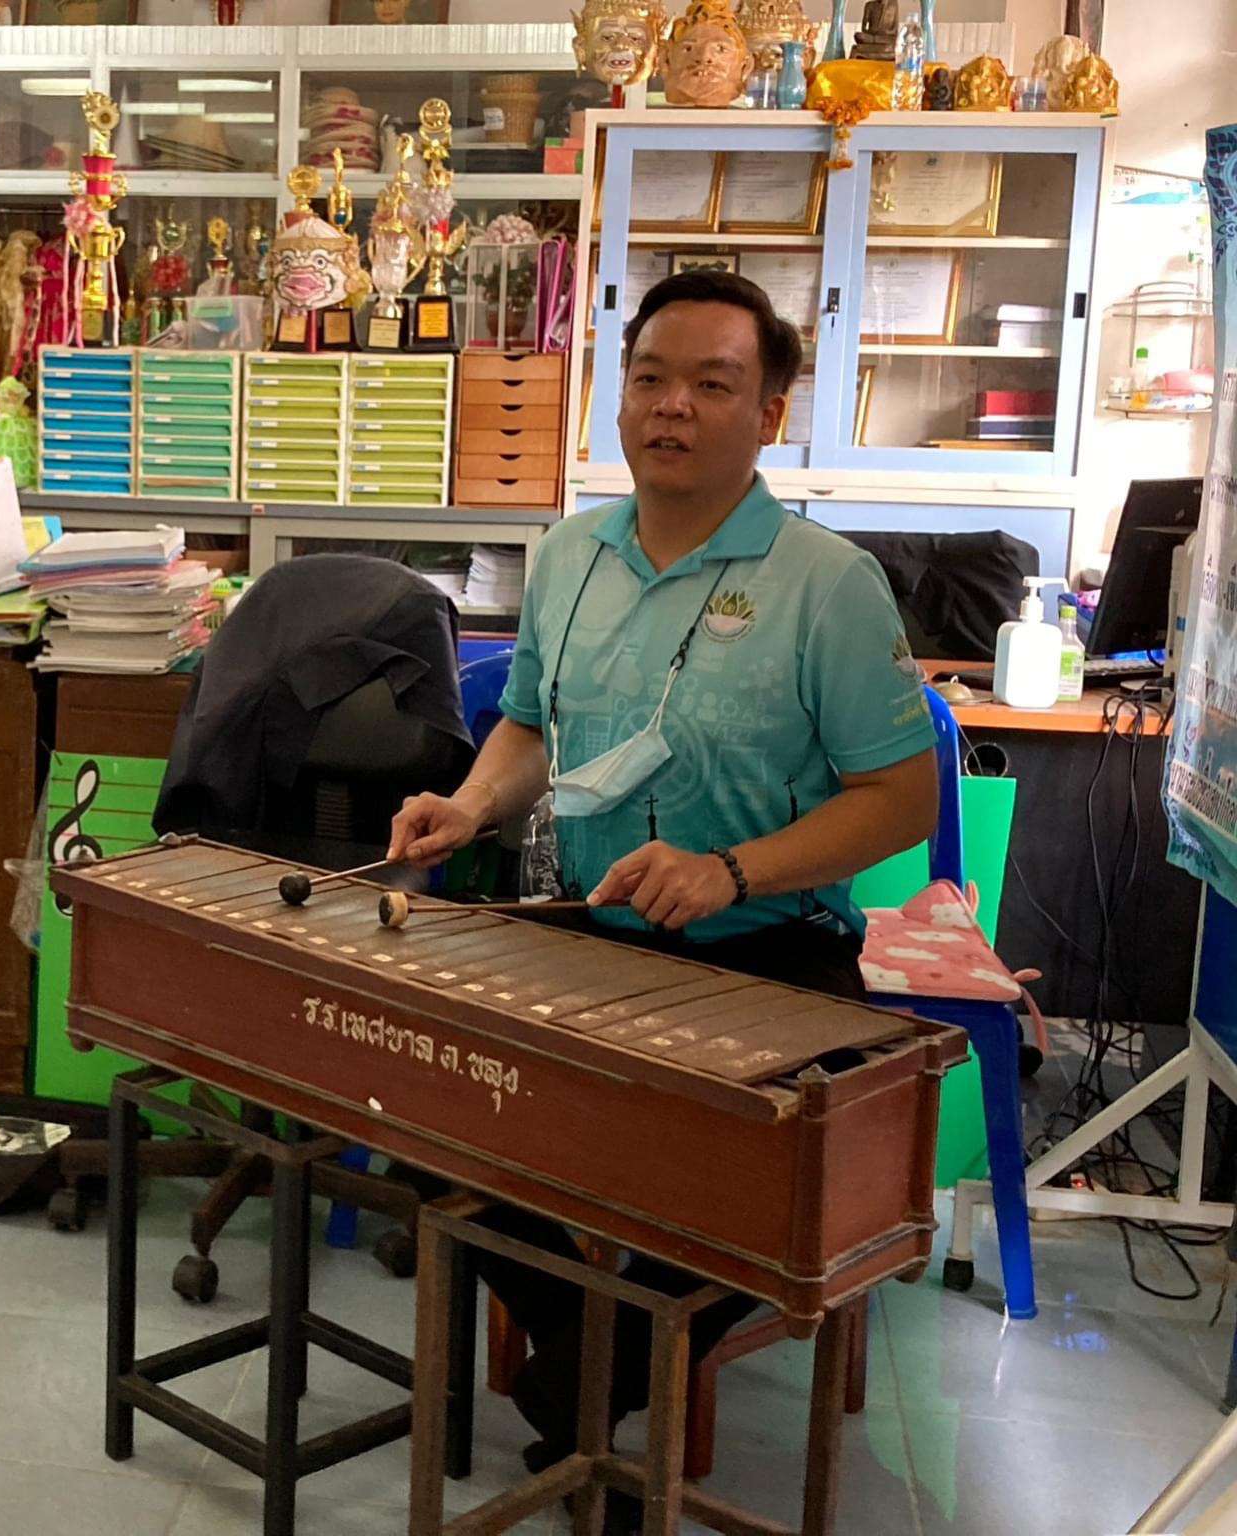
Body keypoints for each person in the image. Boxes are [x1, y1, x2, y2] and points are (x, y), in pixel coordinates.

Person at [387, 268, 938, 1527]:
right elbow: (529, 726)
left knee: (774, 1189)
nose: (670, 406)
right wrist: (470, 807)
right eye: (647, 379)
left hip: (768, 952)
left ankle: (594, 1381)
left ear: (770, 412)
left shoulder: (825, 582)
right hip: (585, 935)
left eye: (710, 384)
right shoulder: (569, 551)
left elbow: (898, 800)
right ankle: (607, 1369)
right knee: (417, 1103)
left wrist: (729, 869)